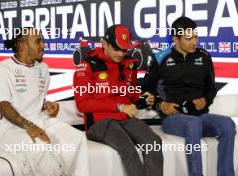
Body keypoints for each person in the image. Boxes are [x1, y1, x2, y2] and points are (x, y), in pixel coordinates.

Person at [0, 27, 89, 176]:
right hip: (10, 128)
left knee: (77, 138)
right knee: (40, 146)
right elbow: (4, 106)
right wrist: (29, 126)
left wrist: (47, 106)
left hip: (40, 121)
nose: (43, 45)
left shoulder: (43, 68)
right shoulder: (1, 69)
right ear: (22, 45)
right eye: (38, 41)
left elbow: (35, 101)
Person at [142, 16, 236, 176]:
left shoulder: (204, 56)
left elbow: (211, 89)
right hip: (173, 119)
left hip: (200, 117)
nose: (194, 42)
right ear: (176, 39)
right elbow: (146, 91)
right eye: (188, 38)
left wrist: (205, 100)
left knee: (228, 124)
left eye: (196, 36)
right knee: (193, 124)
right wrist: (160, 104)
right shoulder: (161, 58)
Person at [73, 24, 163, 176]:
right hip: (99, 122)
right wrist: (119, 106)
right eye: (116, 48)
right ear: (104, 44)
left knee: (153, 143)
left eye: (124, 49)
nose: (121, 53)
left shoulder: (129, 64)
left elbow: (132, 93)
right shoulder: (87, 66)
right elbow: (83, 104)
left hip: (125, 118)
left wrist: (143, 98)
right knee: (128, 149)